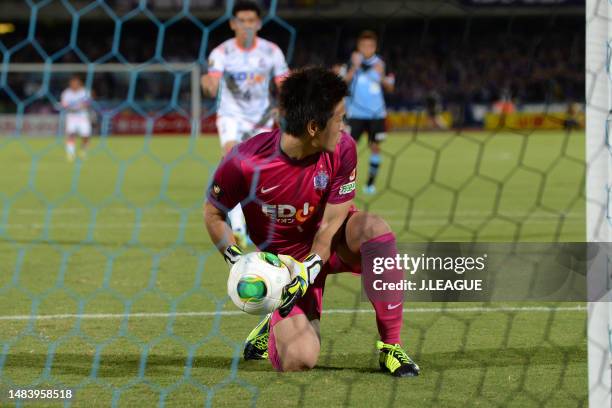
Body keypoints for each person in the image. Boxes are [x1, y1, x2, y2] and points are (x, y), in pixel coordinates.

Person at [204, 67, 420, 377]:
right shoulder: (245, 161)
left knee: (373, 229)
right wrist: (235, 259)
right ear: (313, 127)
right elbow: (212, 213)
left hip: (332, 243)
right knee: (300, 360)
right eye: (339, 119)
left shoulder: (343, 148)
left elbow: (332, 223)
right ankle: (273, 310)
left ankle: (391, 347)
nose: (344, 127)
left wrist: (312, 266)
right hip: (286, 268)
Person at [201, 0, 289, 248]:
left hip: (261, 119)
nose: (247, 26)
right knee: (233, 160)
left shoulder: (272, 52)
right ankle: (238, 228)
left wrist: (287, 100)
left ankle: (255, 223)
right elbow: (212, 82)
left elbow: (284, 82)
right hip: (231, 115)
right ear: (232, 24)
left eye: (251, 21)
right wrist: (208, 84)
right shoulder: (221, 52)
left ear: (259, 23)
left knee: (258, 174)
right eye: (242, 21)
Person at [342, 30, 395, 195]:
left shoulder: (381, 63)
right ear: (359, 46)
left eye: (370, 46)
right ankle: (345, 185)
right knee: (348, 149)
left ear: (375, 47)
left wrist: (380, 76)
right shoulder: (351, 61)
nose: (367, 48)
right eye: (364, 45)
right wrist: (354, 67)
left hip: (376, 114)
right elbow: (341, 82)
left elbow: (391, 87)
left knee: (375, 147)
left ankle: (370, 184)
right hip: (355, 114)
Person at [60, 76, 92, 161]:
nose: (74, 85)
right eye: (72, 83)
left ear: (79, 84)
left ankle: (83, 152)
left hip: (82, 115)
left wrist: (79, 106)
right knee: (71, 134)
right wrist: (71, 107)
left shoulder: (84, 92)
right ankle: (70, 154)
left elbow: (87, 103)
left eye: (76, 83)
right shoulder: (66, 93)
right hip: (71, 116)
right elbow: (64, 104)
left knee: (85, 135)